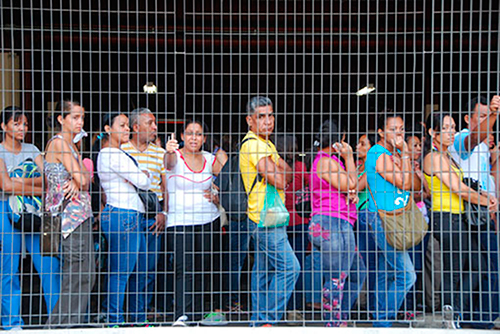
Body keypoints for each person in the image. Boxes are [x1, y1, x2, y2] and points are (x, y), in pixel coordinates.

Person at [422, 112, 497, 328]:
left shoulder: (448, 157)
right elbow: (458, 189)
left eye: (452, 127)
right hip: (446, 217)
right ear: (432, 132)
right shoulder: (433, 157)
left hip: (457, 217)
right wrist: (486, 202)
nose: (451, 132)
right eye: (445, 128)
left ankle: (455, 311)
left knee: (477, 266)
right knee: (453, 270)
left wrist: (485, 197)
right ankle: (450, 317)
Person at [239, 96, 300, 326]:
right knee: (290, 267)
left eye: (270, 115)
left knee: (262, 273)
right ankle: (268, 320)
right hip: (264, 219)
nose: (268, 121)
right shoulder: (254, 144)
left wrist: (278, 170)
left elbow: (288, 174)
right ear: (250, 120)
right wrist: (278, 170)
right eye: (261, 117)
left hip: (268, 217)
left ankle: (259, 321)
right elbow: (282, 179)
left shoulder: (267, 144)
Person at [0, 106, 60, 330]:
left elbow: (48, 183)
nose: (23, 128)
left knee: (50, 266)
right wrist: (28, 182)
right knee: (9, 267)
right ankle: (11, 323)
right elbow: (4, 186)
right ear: (4, 126)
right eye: (16, 123)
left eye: (25, 124)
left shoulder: (33, 148)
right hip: (6, 210)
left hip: (39, 212)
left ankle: (56, 322)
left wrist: (17, 182)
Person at [164, 120, 224, 326]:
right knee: (184, 267)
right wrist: (169, 151)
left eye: (198, 134)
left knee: (203, 267)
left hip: (208, 218)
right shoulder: (175, 156)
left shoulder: (210, 158)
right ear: (181, 136)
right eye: (189, 133)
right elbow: (168, 164)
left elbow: (227, 179)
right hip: (180, 221)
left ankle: (198, 315)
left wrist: (217, 194)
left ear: (204, 138)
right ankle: (182, 314)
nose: (193, 138)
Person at [447, 95, 500, 328]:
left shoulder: (483, 147)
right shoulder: (461, 139)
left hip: (483, 209)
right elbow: (477, 136)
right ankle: (481, 320)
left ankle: (475, 316)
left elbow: (483, 177)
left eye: (487, 115)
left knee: (481, 267)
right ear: (468, 118)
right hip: (470, 212)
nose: (485, 120)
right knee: (485, 267)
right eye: (481, 116)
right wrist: (495, 116)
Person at [364, 112, 420, 327]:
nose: (399, 133)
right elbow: (406, 184)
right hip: (384, 219)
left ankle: (380, 322)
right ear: (381, 132)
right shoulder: (378, 153)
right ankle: (383, 321)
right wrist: (405, 154)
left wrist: (402, 158)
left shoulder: (393, 154)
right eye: (393, 129)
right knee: (407, 275)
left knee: (385, 271)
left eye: (401, 129)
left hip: (395, 217)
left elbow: (416, 184)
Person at [309, 120, 366, 327]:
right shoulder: (327, 161)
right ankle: (332, 324)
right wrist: (349, 157)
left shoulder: (332, 162)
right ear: (338, 140)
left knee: (356, 273)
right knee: (336, 278)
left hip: (338, 223)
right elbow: (351, 184)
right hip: (331, 223)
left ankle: (338, 318)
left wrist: (350, 190)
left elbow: (350, 188)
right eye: (343, 139)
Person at [44, 99, 95, 328]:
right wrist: (78, 180)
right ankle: (57, 327)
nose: (80, 122)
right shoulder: (60, 144)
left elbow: (84, 178)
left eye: (82, 117)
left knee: (85, 274)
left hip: (78, 216)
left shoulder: (71, 145)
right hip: (68, 218)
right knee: (76, 274)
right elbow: (84, 178)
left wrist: (78, 180)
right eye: (74, 117)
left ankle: (69, 325)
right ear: (60, 119)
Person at [96, 112, 151, 325]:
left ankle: (136, 319)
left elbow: (140, 179)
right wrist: (139, 175)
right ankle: (115, 320)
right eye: (122, 125)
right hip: (123, 214)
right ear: (108, 129)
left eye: (128, 125)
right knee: (121, 272)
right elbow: (145, 181)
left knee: (137, 270)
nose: (127, 129)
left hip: (127, 214)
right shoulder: (112, 154)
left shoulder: (115, 154)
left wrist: (137, 176)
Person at [121, 108, 167, 316]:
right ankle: (125, 313)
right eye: (150, 123)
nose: (155, 127)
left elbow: (166, 187)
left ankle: (141, 313)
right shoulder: (121, 150)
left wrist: (163, 213)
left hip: (152, 214)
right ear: (136, 127)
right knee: (126, 268)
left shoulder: (160, 153)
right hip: (128, 213)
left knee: (148, 268)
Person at [275, 134, 309, 320]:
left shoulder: (275, 166)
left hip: (278, 222)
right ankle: (295, 309)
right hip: (298, 222)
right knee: (298, 267)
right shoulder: (299, 167)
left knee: (279, 268)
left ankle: (277, 309)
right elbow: (307, 184)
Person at [354, 133, 377, 314]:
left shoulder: (371, 166)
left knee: (368, 261)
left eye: (363, 144)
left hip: (367, 215)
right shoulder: (359, 165)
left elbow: (354, 187)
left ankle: (370, 305)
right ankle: (364, 303)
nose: (358, 146)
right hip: (359, 215)